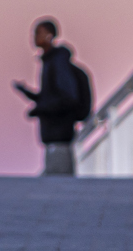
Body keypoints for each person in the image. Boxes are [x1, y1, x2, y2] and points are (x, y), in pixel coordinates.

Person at [13, 17, 87, 176]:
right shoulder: (50, 61)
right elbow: (50, 97)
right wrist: (27, 93)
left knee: (59, 182)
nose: (33, 38)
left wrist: (41, 109)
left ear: (49, 36)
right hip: (54, 135)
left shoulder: (58, 61)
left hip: (59, 134)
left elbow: (67, 97)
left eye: (38, 33)